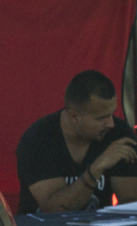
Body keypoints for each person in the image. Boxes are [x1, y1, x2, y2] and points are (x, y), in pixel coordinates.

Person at [15, 70, 136, 214]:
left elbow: (131, 205)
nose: (110, 123)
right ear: (74, 116)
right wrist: (97, 168)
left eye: (112, 114)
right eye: (101, 118)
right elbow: (55, 210)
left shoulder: (118, 133)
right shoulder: (38, 140)